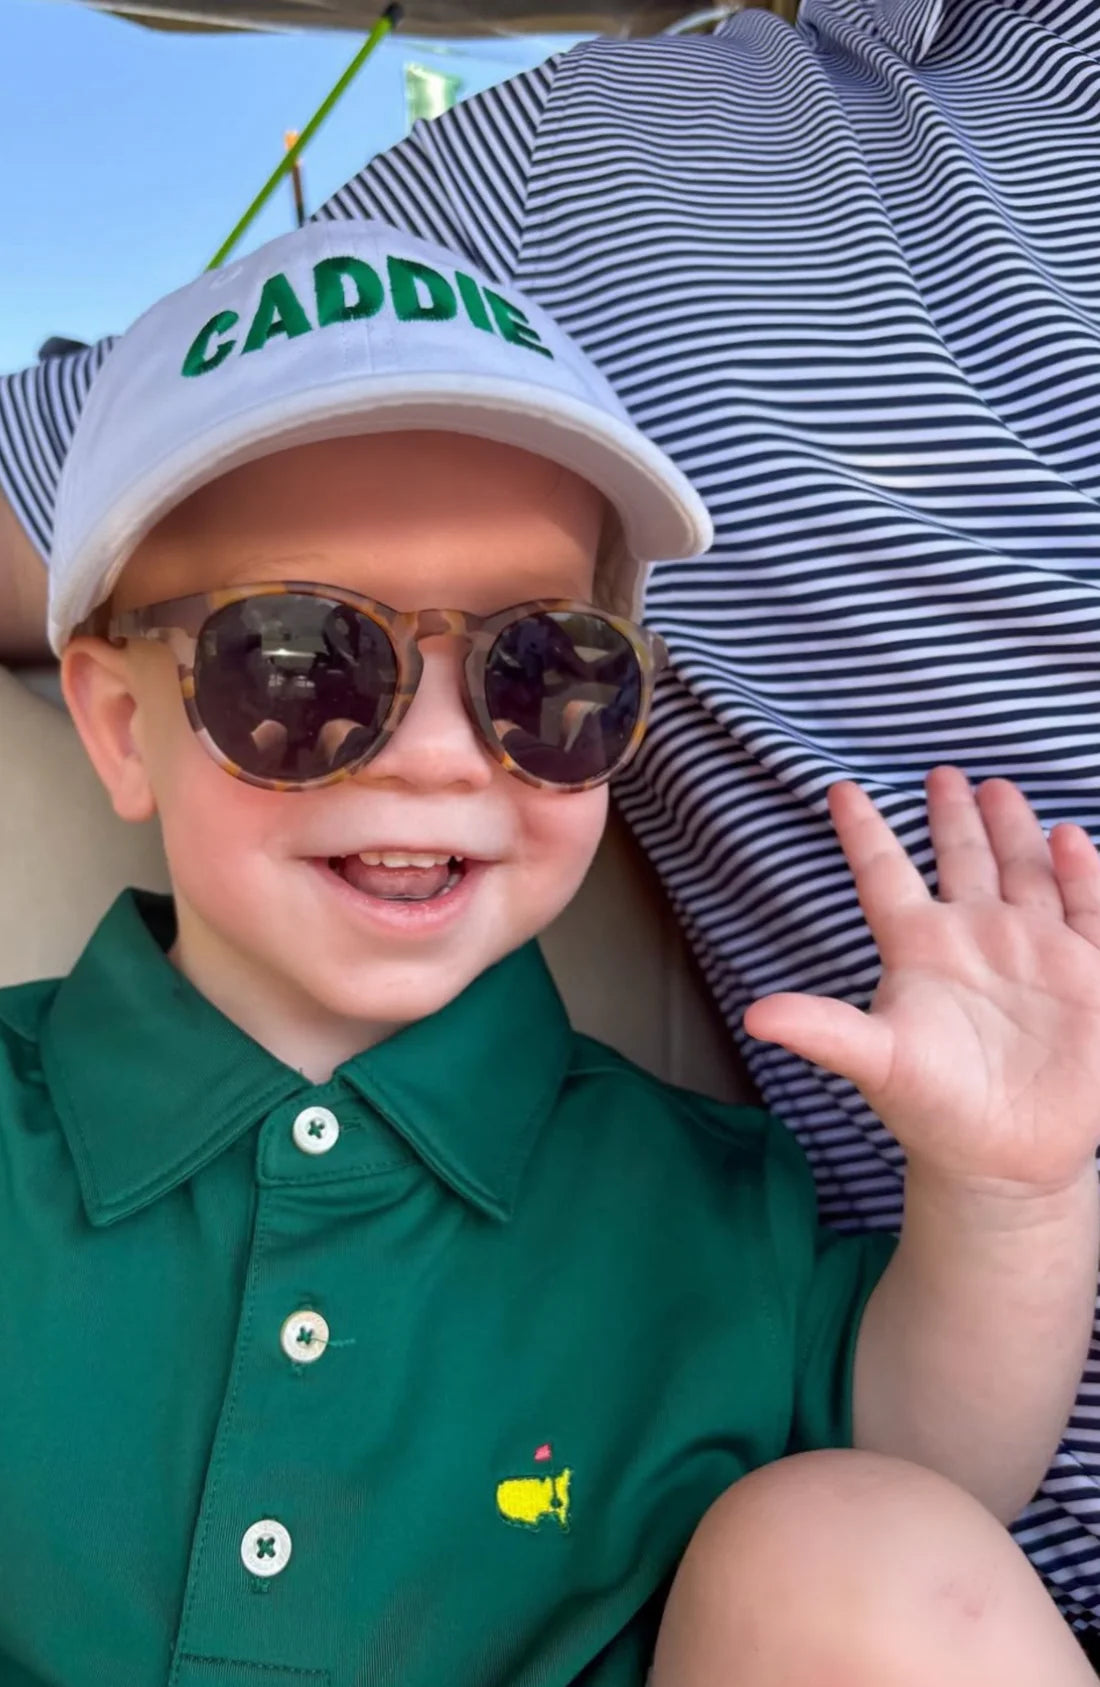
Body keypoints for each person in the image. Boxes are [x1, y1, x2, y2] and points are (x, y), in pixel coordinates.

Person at [6, 0, 1100, 1647]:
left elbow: (927, 1470)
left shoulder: (703, 1205)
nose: (447, 756)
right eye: (299, 661)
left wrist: (1006, 1203)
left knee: (867, 1538)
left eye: (545, 675)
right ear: (117, 720)